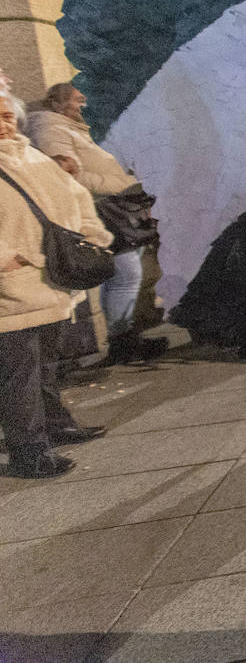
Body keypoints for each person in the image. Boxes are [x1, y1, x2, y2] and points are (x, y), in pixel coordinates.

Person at [0, 92, 111, 478]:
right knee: (19, 376)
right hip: (11, 290)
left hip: (52, 282)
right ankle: (27, 451)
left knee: (45, 366)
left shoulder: (32, 157)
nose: (2, 124)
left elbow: (77, 197)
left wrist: (91, 235)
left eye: (6, 115)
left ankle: (55, 425)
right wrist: (7, 259)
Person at [27, 83, 166, 364]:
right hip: (100, 209)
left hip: (109, 208)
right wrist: (120, 183)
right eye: (78, 100)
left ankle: (124, 339)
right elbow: (66, 174)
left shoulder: (70, 126)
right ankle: (122, 342)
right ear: (56, 103)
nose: (84, 105)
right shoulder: (49, 128)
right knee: (126, 274)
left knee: (125, 273)